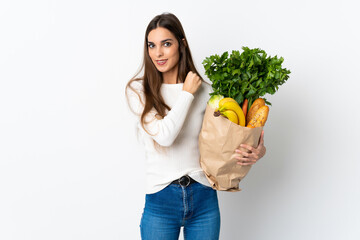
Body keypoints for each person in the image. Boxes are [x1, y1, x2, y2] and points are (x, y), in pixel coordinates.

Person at [125, 12, 266, 240]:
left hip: (203, 197)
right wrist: (187, 94)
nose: (158, 53)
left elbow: (227, 138)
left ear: (181, 45)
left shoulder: (209, 93)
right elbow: (165, 136)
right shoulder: (139, 92)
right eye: (151, 45)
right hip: (161, 201)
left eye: (166, 44)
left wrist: (258, 150)